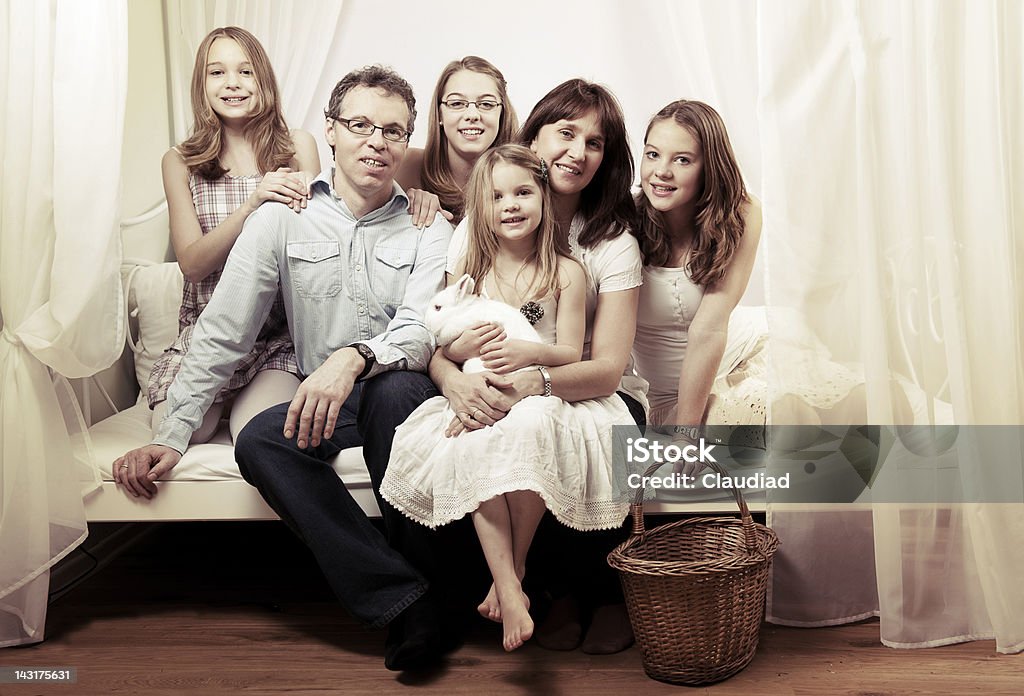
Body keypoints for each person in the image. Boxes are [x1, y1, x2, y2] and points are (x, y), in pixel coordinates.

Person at [113, 65, 455, 671]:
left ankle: (424, 595)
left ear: (407, 143)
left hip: (394, 384)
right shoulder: (281, 215)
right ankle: (407, 598)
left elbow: (422, 329)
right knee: (262, 440)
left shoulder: (429, 225)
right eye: (361, 125)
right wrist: (172, 433)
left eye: (394, 131)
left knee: (398, 393)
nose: (377, 141)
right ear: (330, 130)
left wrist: (355, 359)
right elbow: (224, 328)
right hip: (326, 397)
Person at [431, 79, 646, 655]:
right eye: (566, 133)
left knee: (578, 426)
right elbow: (446, 331)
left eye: (596, 143)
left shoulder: (608, 243)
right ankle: (545, 592)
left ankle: (599, 590)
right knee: (493, 432)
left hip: (589, 382)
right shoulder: (482, 226)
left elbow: (603, 367)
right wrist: (456, 382)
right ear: (535, 138)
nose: (578, 152)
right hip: (500, 377)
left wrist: (535, 377)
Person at [382, 144, 611, 651]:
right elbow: (442, 340)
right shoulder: (474, 268)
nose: (510, 204)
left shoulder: (565, 272)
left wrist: (530, 352)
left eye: (523, 192)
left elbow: (571, 351)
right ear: (480, 209)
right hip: (482, 388)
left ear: (544, 199)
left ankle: (511, 576)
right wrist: (460, 353)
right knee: (473, 443)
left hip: (541, 393)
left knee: (527, 433)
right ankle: (510, 588)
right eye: (496, 196)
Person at [139, 27, 319, 459]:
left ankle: (243, 401)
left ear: (264, 81)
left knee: (261, 437)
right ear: (201, 86)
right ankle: (216, 398)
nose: (232, 83)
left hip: (277, 341)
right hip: (207, 338)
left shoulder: (298, 147)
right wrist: (253, 204)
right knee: (183, 430)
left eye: (245, 71)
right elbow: (192, 263)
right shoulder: (180, 161)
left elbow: (313, 249)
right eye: (216, 72)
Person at [632, 99, 762, 471]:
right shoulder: (625, 220)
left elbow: (708, 327)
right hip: (661, 396)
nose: (661, 172)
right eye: (653, 154)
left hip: (734, 362)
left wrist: (686, 433)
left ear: (710, 167)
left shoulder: (743, 215)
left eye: (682, 160)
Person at [397, 56, 518, 224]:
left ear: (502, 114)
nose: (472, 115)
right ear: (439, 114)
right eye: (457, 103)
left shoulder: (522, 176)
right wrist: (408, 205)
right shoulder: (408, 165)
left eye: (486, 104)